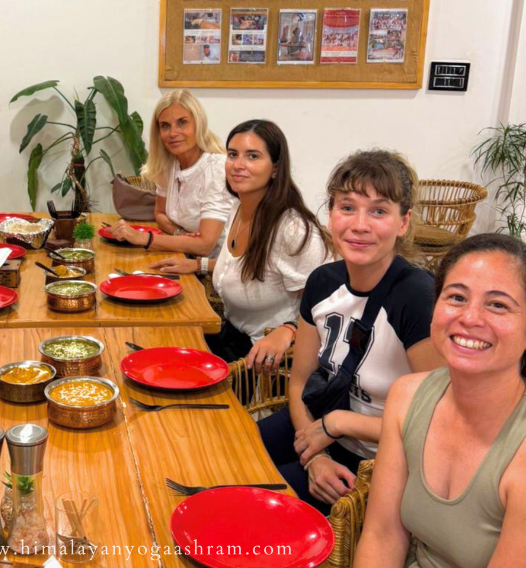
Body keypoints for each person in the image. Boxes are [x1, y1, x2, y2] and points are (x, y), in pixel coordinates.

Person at [258, 149, 442, 514]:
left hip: (382, 457)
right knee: (223, 465)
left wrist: (339, 424)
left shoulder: (416, 296)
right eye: (347, 207)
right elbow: (299, 383)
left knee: (258, 508)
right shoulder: (322, 281)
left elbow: (437, 421)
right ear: (330, 214)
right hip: (320, 424)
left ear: (403, 222)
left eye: (378, 210)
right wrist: (315, 456)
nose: (359, 225)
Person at [356, 234, 526, 568]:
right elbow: (382, 535)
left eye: (498, 304)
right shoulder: (407, 396)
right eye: (457, 297)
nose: (470, 318)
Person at [150, 120, 330, 366]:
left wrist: (290, 330)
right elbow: (249, 268)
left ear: (276, 168)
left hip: (266, 364)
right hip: (230, 339)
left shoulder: (292, 229)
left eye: (253, 156)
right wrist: (198, 266)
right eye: (233, 154)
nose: (238, 165)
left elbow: (326, 305)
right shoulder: (239, 207)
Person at [109, 89, 233, 257]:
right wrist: (181, 235)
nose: (173, 133)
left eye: (182, 122)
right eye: (165, 126)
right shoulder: (170, 164)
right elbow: (159, 214)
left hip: (213, 269)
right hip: (183, 254)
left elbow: (205, 246)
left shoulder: (216, 168)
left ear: (199, 123)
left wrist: (143, 238)